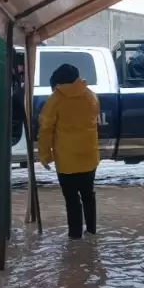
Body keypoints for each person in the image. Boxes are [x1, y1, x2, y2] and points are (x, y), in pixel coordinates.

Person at [38, 64, 101, 239]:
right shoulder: (91, 96)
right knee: (89, 195)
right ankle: (92, 233)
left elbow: (45, 130)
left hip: (66, 160)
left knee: (72, 200)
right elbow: (95, 122)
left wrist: (45, 156)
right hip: (89, 156)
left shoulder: (55, 100)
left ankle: (75, 239)